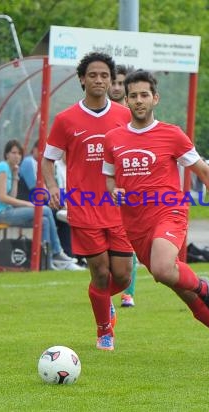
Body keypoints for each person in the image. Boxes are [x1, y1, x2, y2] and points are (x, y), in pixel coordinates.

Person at [103, 69, 209, 362]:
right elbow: (109, 179)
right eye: (133, 95)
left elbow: (205, 171)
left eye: (144, 94)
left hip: (169, 212)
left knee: (163, 269)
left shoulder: (171, 134)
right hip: (135, 223)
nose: (138, 100)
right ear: (126, 99)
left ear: (155, 98)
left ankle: (204, 286)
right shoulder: (114, 138)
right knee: (181, 291)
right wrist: (113, 191)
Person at [42, 52, 134, 351]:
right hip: (84, 206)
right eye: (93, 75)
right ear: (82, 79)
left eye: (104, 75)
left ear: (112, 80)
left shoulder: (124, 115)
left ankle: (103, 300)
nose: (98, 80)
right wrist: (53, 186)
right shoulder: (66, 119)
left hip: (120, 207)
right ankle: (104, 329)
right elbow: (48, 159)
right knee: (100, 272)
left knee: (121, 275)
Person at [0, 139, 73, 269]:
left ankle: (47, 262)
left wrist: (15, 176)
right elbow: (2, 197)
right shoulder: (3, 168)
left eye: (19, 153)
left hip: (7, 211)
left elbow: (12, 195)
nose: (17, 156)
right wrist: (28, 204)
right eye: (13, 153)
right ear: (6, 154)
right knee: (46, 210)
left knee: (44, 221)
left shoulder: (11, 170)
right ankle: (57, 252)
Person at [17, 140, 84, 271]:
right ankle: (60, 254)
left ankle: (58, 257)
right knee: (56, 213)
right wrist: (59, 202)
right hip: (28, 205)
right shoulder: (29, 162)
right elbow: (38, 190)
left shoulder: (46, 165)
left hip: (39, 204)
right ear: (35, 150)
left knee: (54, 217)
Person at [108, 64, 138, 307]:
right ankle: (106, 292)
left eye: (121, 83)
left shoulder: (135, 116)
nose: (116, 87)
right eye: (114, 82)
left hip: (128, 189)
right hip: (102, 190)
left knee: (130, 241)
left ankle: (128, 291)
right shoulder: (100, 113)